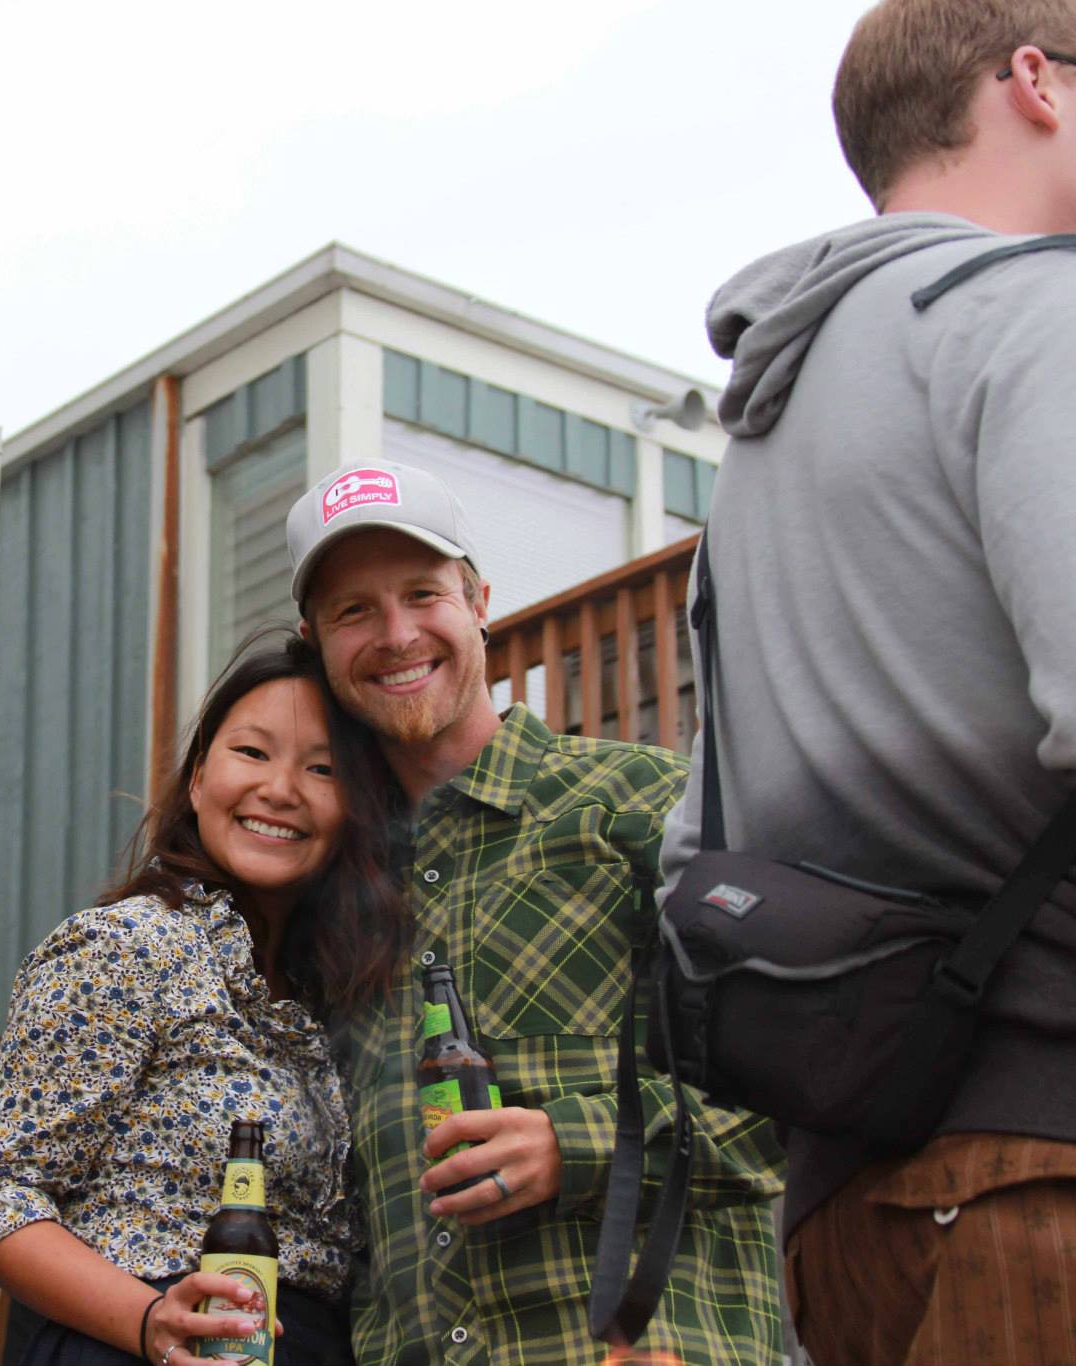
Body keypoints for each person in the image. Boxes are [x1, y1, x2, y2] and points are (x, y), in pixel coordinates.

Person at [657, 1, 1076, 1361]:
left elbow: (693, 850)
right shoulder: (1060, 301)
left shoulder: (762, 447)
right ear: (1035, 82)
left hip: (850, 1224)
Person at [284, 461, 785, 1364]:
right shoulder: (329, 901)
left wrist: (574, 1143)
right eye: (353, 611)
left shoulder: (648, 803)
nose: (396, 634)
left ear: (479, 601)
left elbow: (801, 1087)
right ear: (314, 643)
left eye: (423, 593)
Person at [0, 634, 409, 1365]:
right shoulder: (129, 944)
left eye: (322, 769)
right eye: (252, 752)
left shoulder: (338, 1002)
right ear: (197, 781)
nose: (281, 789)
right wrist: (150, 1322)